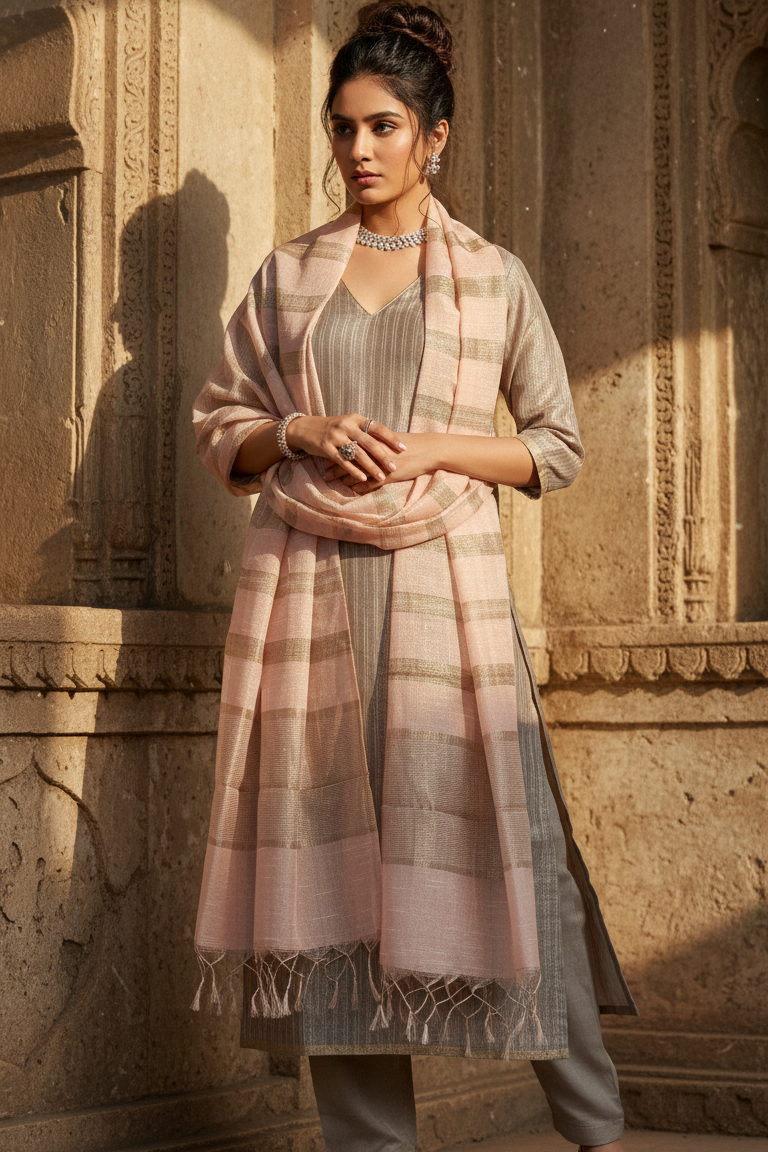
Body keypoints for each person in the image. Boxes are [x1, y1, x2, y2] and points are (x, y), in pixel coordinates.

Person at [191, 4, 637, 1150]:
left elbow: (556, 446)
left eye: (384, 126)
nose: (360, 151)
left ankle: (598, 1135)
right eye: (344, 128)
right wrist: (298, 432)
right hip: (315, 610)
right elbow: (222, 429)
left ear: (435, 135)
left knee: (522, 873)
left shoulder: (492, 276)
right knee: (338, 908)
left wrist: (436, 446)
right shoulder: (289, 278)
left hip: (449, 613)